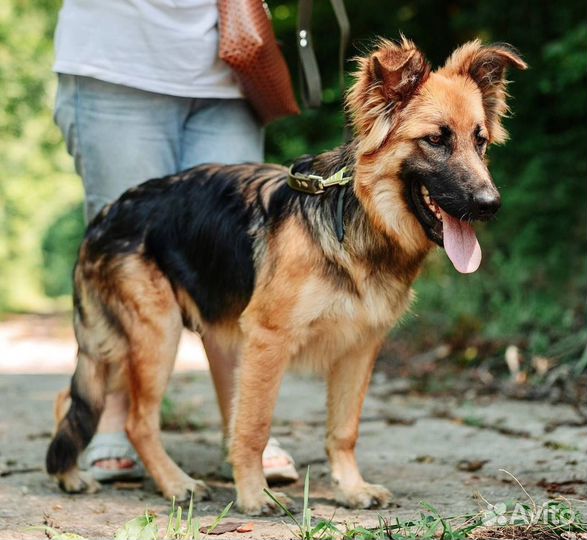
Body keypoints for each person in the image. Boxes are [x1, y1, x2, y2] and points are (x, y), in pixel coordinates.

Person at [52, 0, 298, 484]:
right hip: (114, 67)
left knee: (243, 270)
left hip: (230, 68)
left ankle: (249, 435)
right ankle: (109, 421)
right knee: (127, 270)